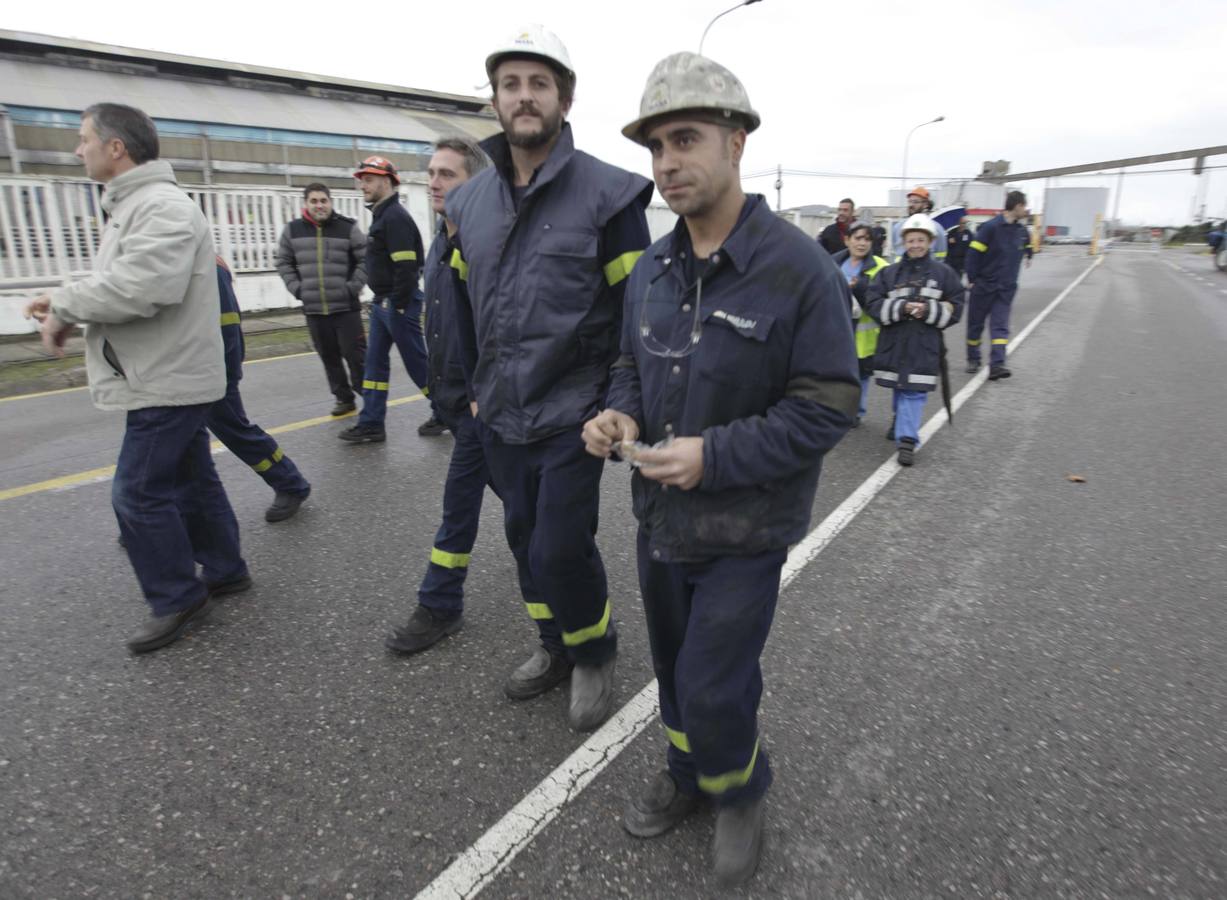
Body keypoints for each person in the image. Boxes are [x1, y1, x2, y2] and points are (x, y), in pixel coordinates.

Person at [584, 52, 859, 886]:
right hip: (658, 521)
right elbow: (631, 364)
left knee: (712, 678)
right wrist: (619, 412)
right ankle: (685, 774)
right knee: (674, 668)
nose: (667, 162)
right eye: (656, 146)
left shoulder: (797, 268)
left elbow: (828, 406)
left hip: (745, 529)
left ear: (736, 143)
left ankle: (739, 789)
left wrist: (715, 456)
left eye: (686, 139)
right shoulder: (652, 271)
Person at [447, 25, 653, 730]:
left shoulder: (610, 196)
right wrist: (465, 389)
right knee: (520, 538)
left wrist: (619, 406)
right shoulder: (466, 203)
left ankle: (594, 649)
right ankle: (552, 644)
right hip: (500, 410)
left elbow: (639, 314)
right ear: (496, 99)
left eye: (539, 84)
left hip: (576, 413)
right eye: (511, 84)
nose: (524, 97)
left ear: (563, 98)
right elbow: (458, 304)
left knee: (559, 545)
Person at [25, 103, 248, 653]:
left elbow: (143, 287)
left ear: (116, 147)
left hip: (166, 379)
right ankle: (223, 568)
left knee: (137, 493)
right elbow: (129, 279)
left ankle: (178, 597)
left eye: (84, 139)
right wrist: (65, 302)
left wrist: (64, 304)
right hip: (164, 371)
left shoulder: (160, 205)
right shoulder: (137, 205)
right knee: (192, 477)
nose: (78, 150)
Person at [386, 137, 496, 654]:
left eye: (447, 174)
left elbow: (502, 328)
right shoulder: (441, 237)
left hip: (483, 409)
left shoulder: (485, 243)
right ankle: (568, 573)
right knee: (529, 512)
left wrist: (479, 394)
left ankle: (439, 603)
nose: (433, 181)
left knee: (459, 507)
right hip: (455, 402)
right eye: (431, 172)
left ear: (475, 184)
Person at [209, 257, 312, 522]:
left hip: (209, 373)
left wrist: (226, 374)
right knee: (176, 444)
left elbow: (227, 324)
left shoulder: (204, 263)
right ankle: (153, 514)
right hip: (169, 376)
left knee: (234, 430)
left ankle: (289, 482)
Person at [338, 156, 433, 443]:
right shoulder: (382, 216)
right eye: (362, 179)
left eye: (369, 179)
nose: (363, 185)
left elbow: (407, 266)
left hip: (396, 302)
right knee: (374, 366)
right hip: (383, 302)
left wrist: (399, 304)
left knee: (417, 363)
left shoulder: (394, 217)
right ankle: (371, 422)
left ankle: (447, 410)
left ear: (387, 181)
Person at [866, 213, 965, 466]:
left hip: (924, 343)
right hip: (895, 341)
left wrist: (928, 311)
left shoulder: (944, 274)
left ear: (930, 242)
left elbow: (957, 305)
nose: (916, 245)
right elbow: (873, 303)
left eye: (921, 240)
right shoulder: (889, 273)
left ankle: (907, 441)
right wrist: (902, 308)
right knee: (900, 387)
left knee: (913, 390)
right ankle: (901, 422)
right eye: (911, 240)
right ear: (904, 243)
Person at [275, 182, 368, 417]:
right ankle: (343, 398)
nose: (320, 205)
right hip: (314, 308)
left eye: (323, 200)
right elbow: (284, 262)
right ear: (305, 204)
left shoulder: (348, 228)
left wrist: (353, 287)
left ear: (330, 202)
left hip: (346, 307)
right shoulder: (292, 230)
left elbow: (366, 259)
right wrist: (297, 289)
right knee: (329, 357)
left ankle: (370, 398)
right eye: (314, 201)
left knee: (356, 356)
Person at [965, 190, 1031, 380]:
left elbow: (1026, 246)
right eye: (1024, 206)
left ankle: (997, 364)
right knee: (975, 326)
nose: (1025, 210)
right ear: (1017, 206)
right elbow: (973, 256)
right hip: (984, 286)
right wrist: (972, 280)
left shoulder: (1021, 231)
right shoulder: (990, 228)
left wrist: (1029, 255)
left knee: (1000, 327)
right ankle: (973, 357)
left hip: (1006, 289)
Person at [831, 221, 889, 424]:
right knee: (836, 372)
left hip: (864, 335)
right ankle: (837, 408)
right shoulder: (833, 262)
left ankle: (856, 410)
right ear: (847, 240)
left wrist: (860, 287)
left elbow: (882, 300)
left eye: (867, 239)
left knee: (860, 375)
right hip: (837, 329)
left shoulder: (882, 267)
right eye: (858, 238)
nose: (862, 243)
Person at [891, 186, 948, 262]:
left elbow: (941, 255)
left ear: (926, 204)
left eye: (915, 202)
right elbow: (895, 251)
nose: (911, 205)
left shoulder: (937, 228)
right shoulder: (898, 227)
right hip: (901, 272)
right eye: (910, 201)